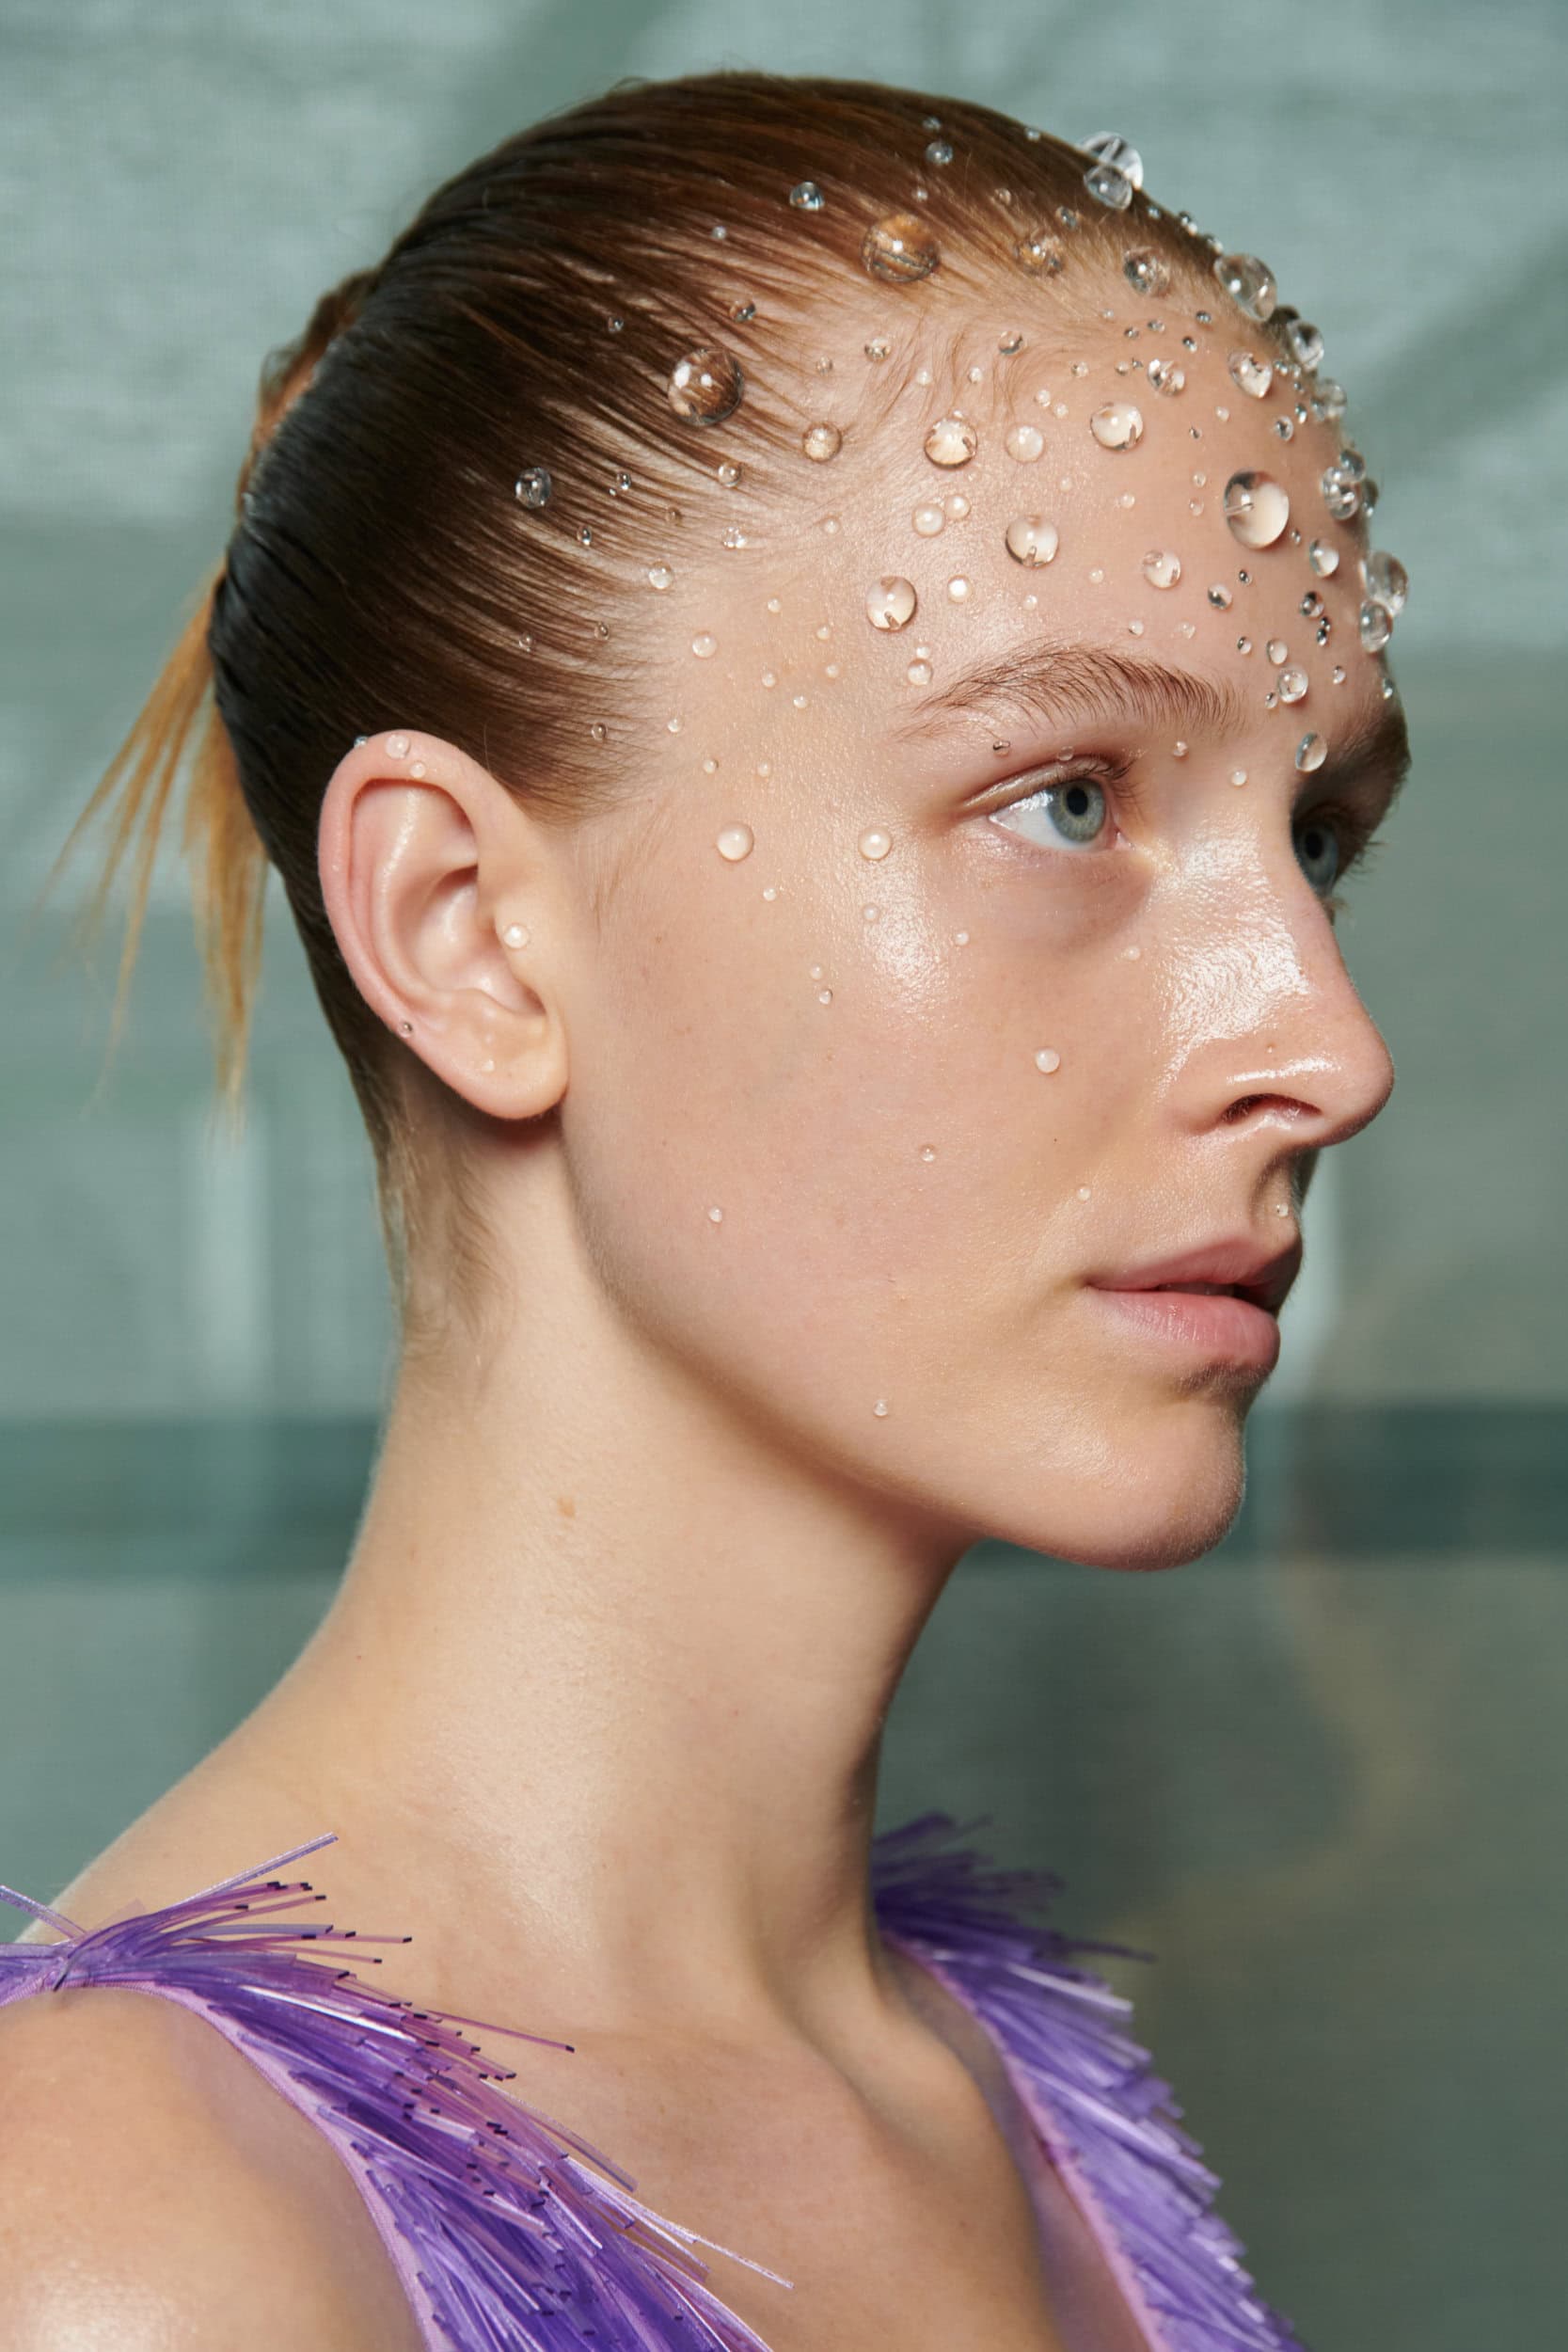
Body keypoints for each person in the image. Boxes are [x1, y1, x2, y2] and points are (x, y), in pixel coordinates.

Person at [0, 69, 1410, 2352]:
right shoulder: (135, 2245)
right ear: (468, 930)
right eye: (1069, 797)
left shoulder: (1027, 2095)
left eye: (1316, 834)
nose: (1328, 1044)